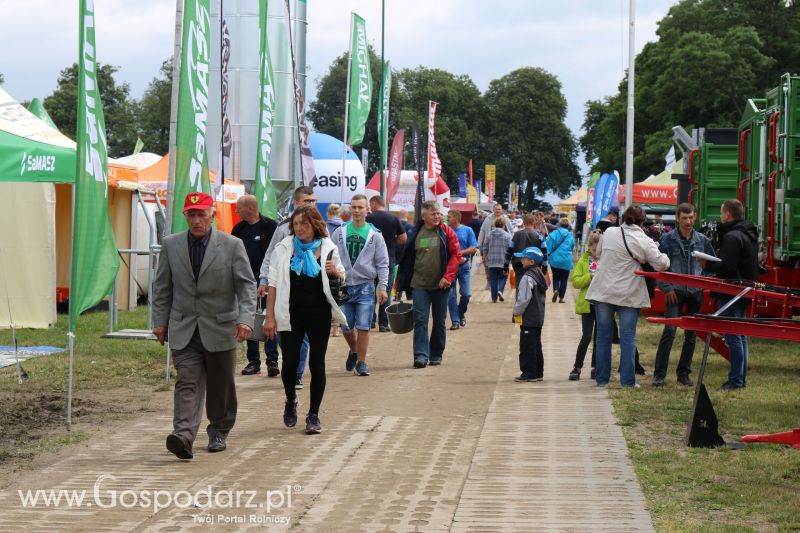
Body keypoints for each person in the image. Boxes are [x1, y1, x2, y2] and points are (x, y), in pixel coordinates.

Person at [153, 192, 256, 460]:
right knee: (187, 381)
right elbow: (162, 287)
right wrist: (160, 322)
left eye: (201, 214)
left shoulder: (232, 245)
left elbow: (246, 284)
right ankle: (183, 435)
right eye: (191, 214)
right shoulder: (171, 245)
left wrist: (245, 319)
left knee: (221, 384)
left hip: (221, 326)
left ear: (213, 215)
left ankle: (219, 430)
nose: (196, 220)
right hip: (184, 326)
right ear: (185, 216)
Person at [263, 206, 347, 434]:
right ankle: (291, 399)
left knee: (316, 364)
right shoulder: (284, 248)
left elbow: (341, 275)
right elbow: (272, 284)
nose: (299, 228)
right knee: (289, 364)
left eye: (304, 224)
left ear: (315, 225)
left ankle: (314, 415)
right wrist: (269, 316)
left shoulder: (328, 247)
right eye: (296, 224)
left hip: (319, 314)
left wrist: (335, 272)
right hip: (290, 314)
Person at [585, 205, 669, 388]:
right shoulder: (644, 240)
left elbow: (598, 254)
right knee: (628, 338)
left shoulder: (609, 233)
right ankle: (627, 381)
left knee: (602, 337)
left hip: (604, 290)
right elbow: (661, 264)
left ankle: (602, 379)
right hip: (629, 294)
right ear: (642, 221)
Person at [696, 199, 758, 390]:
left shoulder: (732, 236)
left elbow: (728, 266)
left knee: (732, 336)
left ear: (728, 215)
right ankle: (740, 379)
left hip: (732, 290)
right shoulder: (748, 233)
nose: (721, 217)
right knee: (740, 335)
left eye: (722, 213)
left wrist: (707, 265)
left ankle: (736, 381)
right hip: (744, 289)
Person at [258, 186, 315, 389]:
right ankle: (291, 362)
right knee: (285, 334)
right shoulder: (283, 228)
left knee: (304, 334)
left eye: (314, 201)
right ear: (297, 203)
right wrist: (264, 280)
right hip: (284, 290)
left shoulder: (319, 227)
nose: (312, 205)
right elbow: (270, 256)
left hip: (309, 292)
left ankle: (297, 374)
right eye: (308, 201)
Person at [652, 203, 715, 387]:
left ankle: (684, 373)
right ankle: (659, 374)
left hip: (695, 293)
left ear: (695, 217)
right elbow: (658, 266)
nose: (688, 221)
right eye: (684, 218)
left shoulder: (703, 240)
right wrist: (667, 287)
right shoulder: (666, 239)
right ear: (677, 218)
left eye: (691, 217)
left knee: (691, 334)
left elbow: (711, 267)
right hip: (675, 292)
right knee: (669, 331)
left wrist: (703, 283)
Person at [395, 201, 461, 368]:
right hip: (420, 285)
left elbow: (456, 255)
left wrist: (448, 276)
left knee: (439, 321)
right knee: (420, 321)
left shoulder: (447, 232)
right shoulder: (414, 233)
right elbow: (406, 258)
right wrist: (401, 282)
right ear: (423, 216)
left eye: (439, 213)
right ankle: (421, 356)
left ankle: (436, 354)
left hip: (442, 286)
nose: (437, 216)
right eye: (433, 213)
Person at [332, 194, 389, 376]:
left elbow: (382, 262)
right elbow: (330, 255)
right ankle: (354, 351)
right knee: (346, 326)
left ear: (367, 210)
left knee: (364, 325)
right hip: (344, 285)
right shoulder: (339, 232)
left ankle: (362, 362)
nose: (356, 211)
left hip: (366, 285)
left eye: (360, 207)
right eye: (354, 207)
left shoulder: (375, 236)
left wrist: (383, 287)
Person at [231, 194, 279, 377]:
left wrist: (267, 280)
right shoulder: (238, 229)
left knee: (269, 319)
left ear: (250, 209)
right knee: (248, 319)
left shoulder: (270, 226)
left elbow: (276, 253)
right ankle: (253, 361)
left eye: (239, 208)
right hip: (245, 282)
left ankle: (272, 360)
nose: (236, 211)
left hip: (267, 281)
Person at [367, 194, 407, 332]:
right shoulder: (393, 218)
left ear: (373, 204)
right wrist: (391, 243)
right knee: (386, 291)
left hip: (370, 260)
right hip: (388, 259)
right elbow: (403, 238)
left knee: (370, 290)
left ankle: (370, 321)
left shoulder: (368, 218)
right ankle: (383, 324)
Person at [511, 246, 548, 382]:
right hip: (538, 316)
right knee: (536, 344)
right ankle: (538, 372)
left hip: (529, 316)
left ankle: (529, 373)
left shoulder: (527, 277)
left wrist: (516, 311)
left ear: (531, 261)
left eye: (524, 258)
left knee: (527, 346)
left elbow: (524, 298)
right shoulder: (538, 273)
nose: (521, 260)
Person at [569, 230, 601, 381]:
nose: (597, 253)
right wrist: (590, 276)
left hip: (602, 303)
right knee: (587, 336)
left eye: (599, 250)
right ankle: (577, 366)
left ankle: (596, 366)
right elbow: (575, 282)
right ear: (589, 247)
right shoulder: (583, 261)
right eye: (594, 249)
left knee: (599, 337)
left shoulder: (606, 260)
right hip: (588, 303)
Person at [446, 209, 478, 329]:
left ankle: (460, 313)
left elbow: (473, 247)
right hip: (449, 267)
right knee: (451, 296)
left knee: (466, 294)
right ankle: (455, 321)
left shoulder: (467, 230)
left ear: (456, 218)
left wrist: (459, 254)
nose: (447, 218)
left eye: (449, 217)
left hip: (464, 267)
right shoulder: (445, 230)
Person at [483, 217, 513, 303]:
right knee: (503, 277)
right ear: (504, 225)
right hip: (503, 261)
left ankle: (494, 298)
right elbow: (510, 248)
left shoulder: (489, 234)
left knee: (493, 279)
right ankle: (500, 290)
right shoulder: (507, 235)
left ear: (494, 225)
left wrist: (485, 255)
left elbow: (485, 246)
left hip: (492, 261)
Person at [545, 218, 575, 303]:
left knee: (555, 276)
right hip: (566, 259)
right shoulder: (570, 235)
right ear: (568, 226)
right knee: (564, 279)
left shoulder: (553, 234)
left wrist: (548, 255)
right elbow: (572, 247)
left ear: (559, 225)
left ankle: (555, 290)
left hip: (555, 259)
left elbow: (548, 247)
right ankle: (561, 298)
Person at [510, 214, 544, 282]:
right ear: (534, 223)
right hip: (534, 265)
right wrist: (545, 267)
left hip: (519, 264)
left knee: (520, 288)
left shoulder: (516, 234)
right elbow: (544, 252)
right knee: (533, 288)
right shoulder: (539, 235)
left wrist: (505, 265)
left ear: (524, 223)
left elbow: (509, 250)